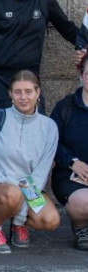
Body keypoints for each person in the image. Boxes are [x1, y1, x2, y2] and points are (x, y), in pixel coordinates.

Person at [0, 70, 60, 255]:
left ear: (38, 93)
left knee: (50, 219)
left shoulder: (49, 127)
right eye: (17, 92)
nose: (23, 97)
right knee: (11, 194)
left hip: (28, 189)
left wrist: (20, 217)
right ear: (10, 94)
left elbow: (41, 173)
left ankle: (17, 226)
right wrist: (6, 180)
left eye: (28, 91)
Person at [51, 54, 88, 250]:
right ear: (81, 75)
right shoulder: (65, 107)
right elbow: (51, 143)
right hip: (70, 176)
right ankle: (81, 228)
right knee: (84, 202)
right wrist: (73, 162)